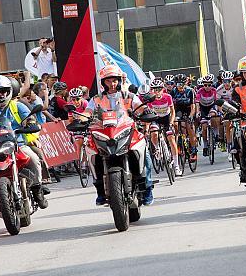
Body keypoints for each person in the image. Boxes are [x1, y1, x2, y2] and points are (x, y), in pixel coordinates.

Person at [0, 75, 47, 214]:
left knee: (34, 159)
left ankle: (37, 190)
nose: (0, 95)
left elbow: (30, 118)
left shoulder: (18, 106)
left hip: (17, 145)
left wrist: (30, 123)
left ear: (9, 91)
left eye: (3, 91)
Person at [84, 65, 155, 205]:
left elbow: (140, 107)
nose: (112, 84)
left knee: (144, 153)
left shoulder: (129, 96)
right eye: (108, 81)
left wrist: (145, 111)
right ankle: (99, 189)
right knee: (92, 153)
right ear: (103, 82)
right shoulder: (96, 99)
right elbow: (88, 112)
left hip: (127, 130)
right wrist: (81, 118)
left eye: (115, 80)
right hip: (104, 133)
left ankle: (147, 187)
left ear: (119, 81)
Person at [145, 78, 181, 176]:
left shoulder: (168, 97)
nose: (157, 92)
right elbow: (148, 116)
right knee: (154, 133)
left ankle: (176, 166)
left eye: (159, 89)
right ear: (151, 90)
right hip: (155, 118)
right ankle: (157, 149)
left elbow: (173, 111)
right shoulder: (150, 99)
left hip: (166, 118)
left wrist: (171, 122)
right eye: (154, 89)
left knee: (171, 139)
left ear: (162, 89)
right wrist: (147, 129)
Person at [171, 73, 198, 161]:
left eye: (182, 84)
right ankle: (178, 142)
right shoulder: (173, 91)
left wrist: (191, 116)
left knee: (189, 127)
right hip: (178, 111)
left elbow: (193, 106)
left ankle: (193, 150)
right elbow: (171, 107)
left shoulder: (190, 91)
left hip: (188, 110)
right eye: (178, 84)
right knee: (176, 124)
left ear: (185, 83)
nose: (180, 86)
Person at [196, 74, 220, 156]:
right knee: (204, 127)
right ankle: (205, 146)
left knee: (214, 117)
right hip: (203, 108)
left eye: (209, 85)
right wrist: (197, 112)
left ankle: (216, 134)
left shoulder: (214, 90)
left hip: (211, 106)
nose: (207, 87)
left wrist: (218, 110)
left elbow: (217, 101)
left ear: (211, 84)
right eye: (205, 85)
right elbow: (197, 103)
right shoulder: (200, 91)